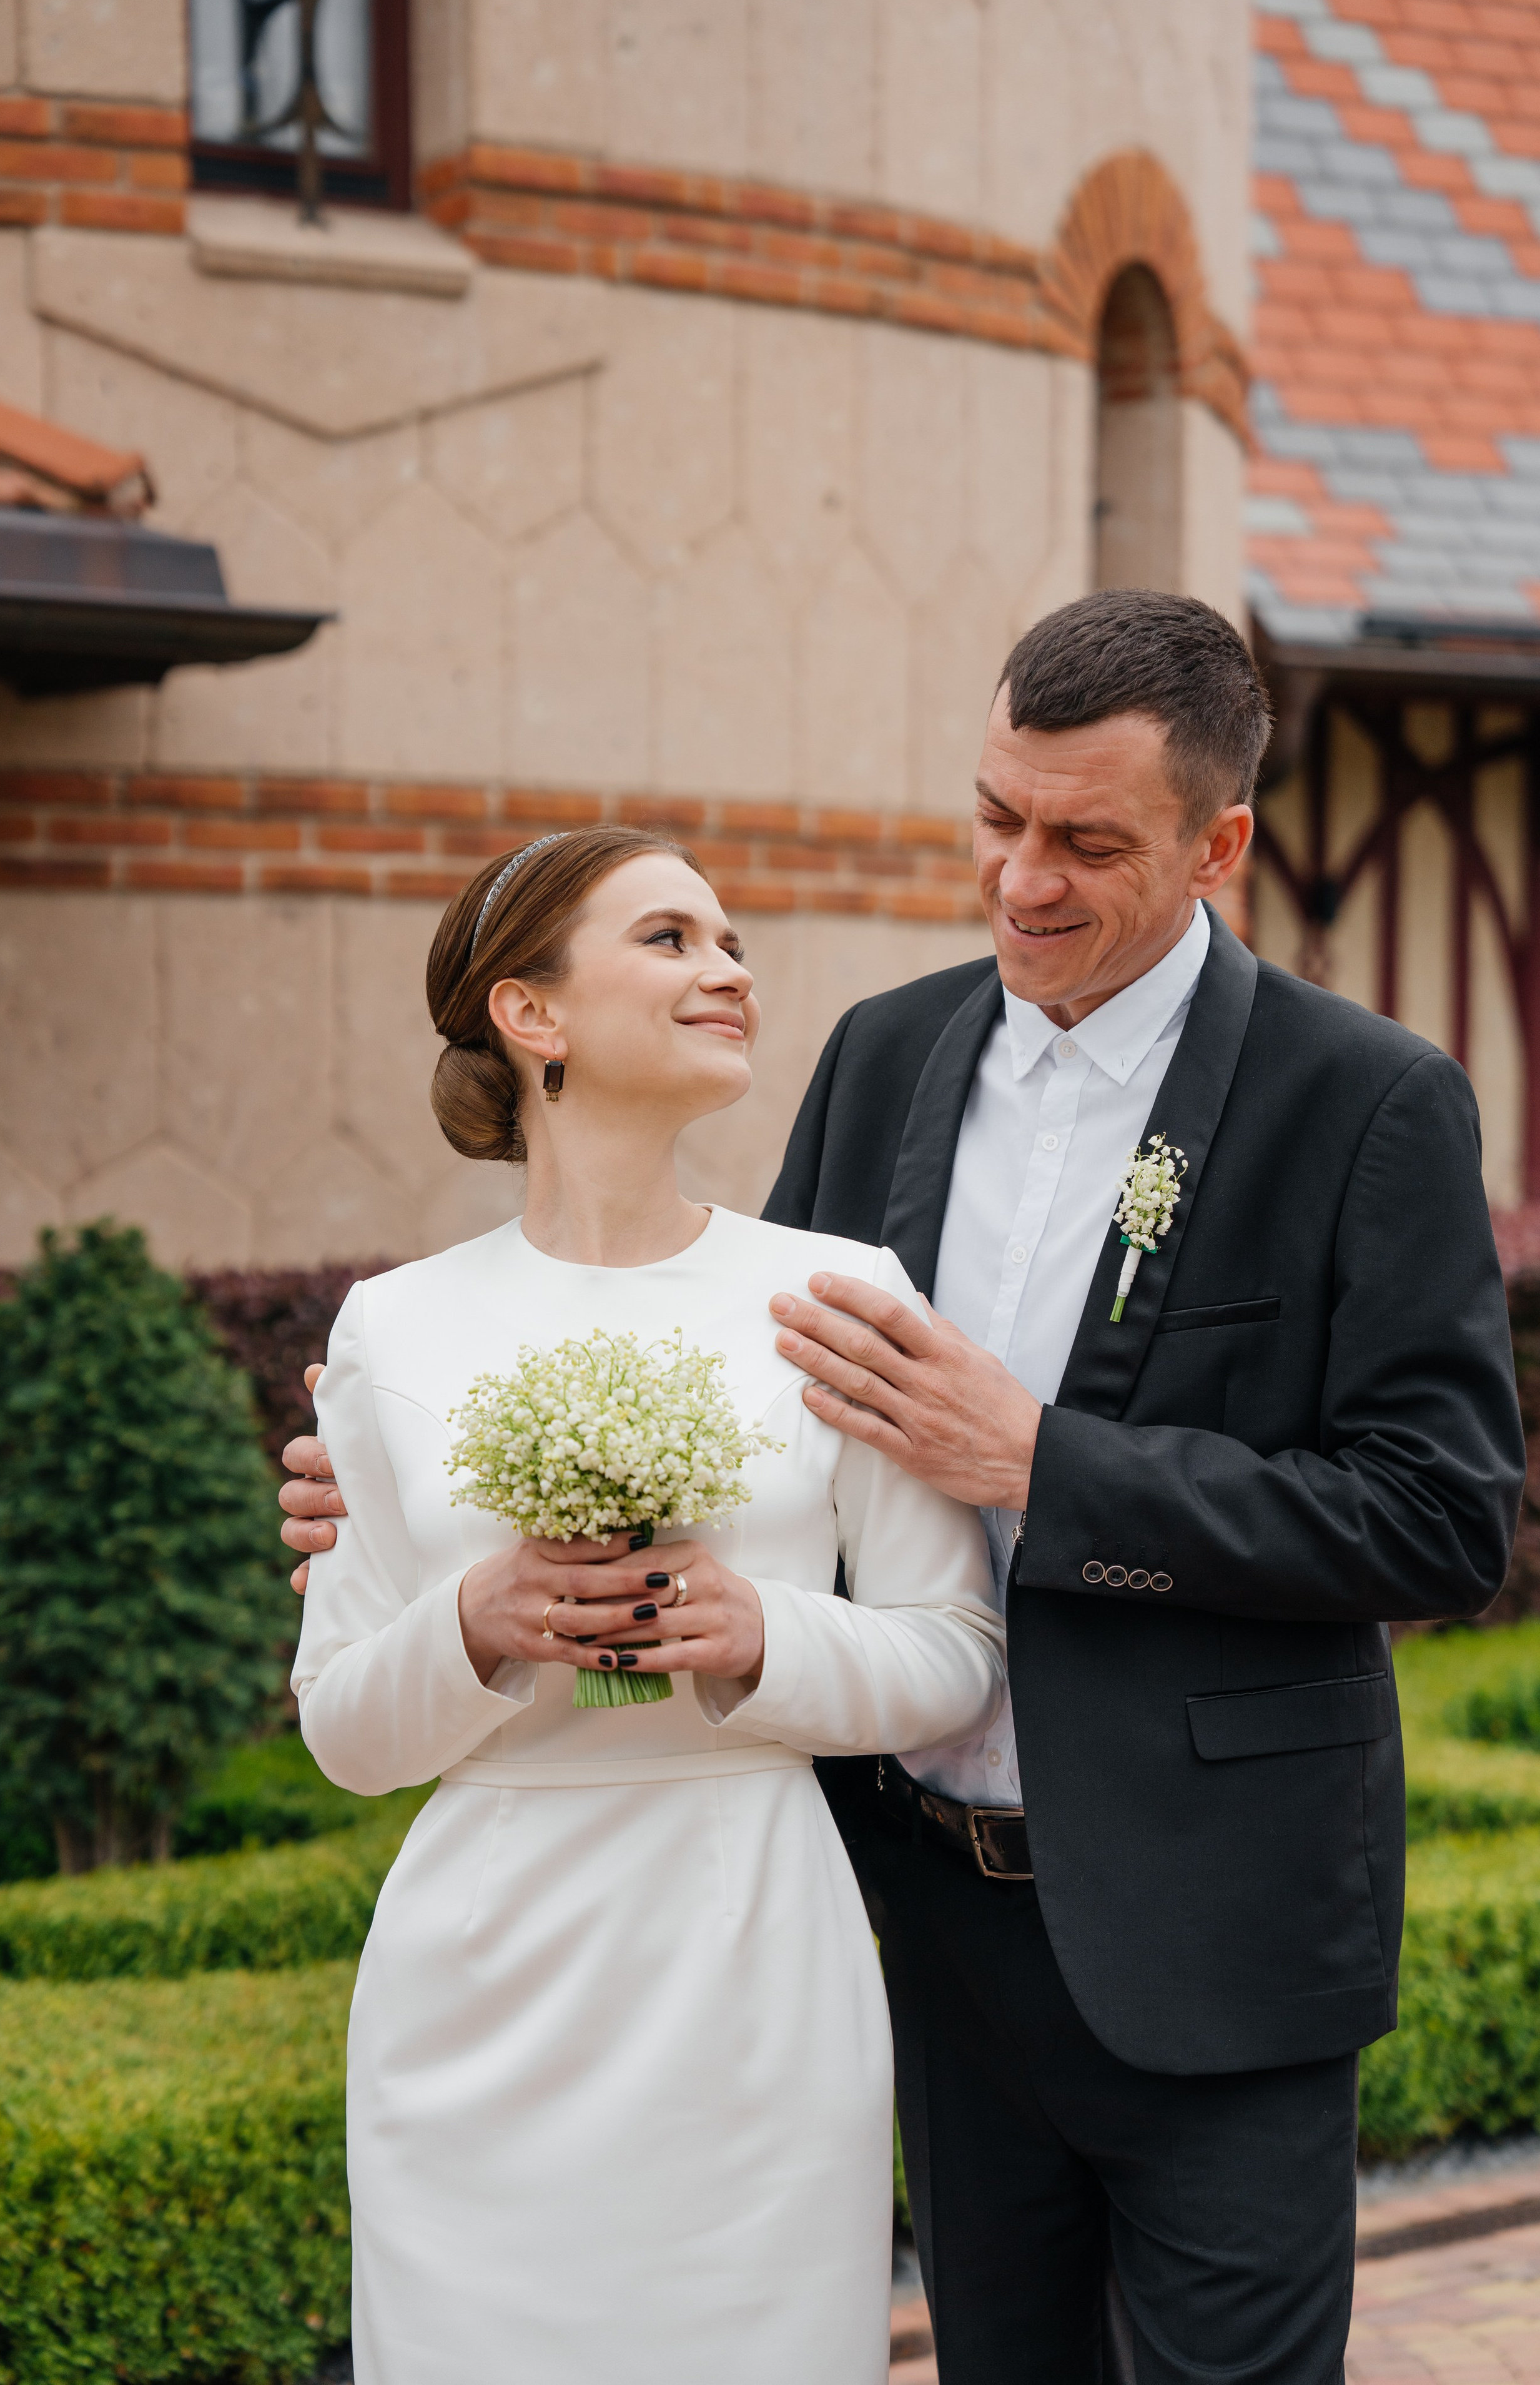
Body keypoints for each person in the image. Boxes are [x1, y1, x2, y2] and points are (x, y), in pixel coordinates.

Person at [284, 592, 1526, 2383]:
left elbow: (1439, 1514)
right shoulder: (887, 1052)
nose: (1020, 877)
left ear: (1218, 845)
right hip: (921, 1920)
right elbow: (746, 1403)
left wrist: (1046, 1464)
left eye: (1086, 841)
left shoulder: (1368, 1099)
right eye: (996, 815)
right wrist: (404, 1486)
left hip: (1211, 1924)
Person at [287, 822, 1005, 2385]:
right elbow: (341, 1724)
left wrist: (764, 1635)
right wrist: (473, 1619)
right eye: (670, 938)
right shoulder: (393, 1326)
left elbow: (954, 1653)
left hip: (752, 1955)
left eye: (731, 940)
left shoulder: (840, 1295)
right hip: (480, 1974)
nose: (727, 968)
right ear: (529, 1011)